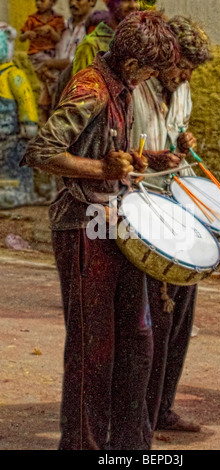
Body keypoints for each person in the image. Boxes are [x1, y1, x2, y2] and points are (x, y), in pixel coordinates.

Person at [22, 10, 180, 450]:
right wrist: (101, 167)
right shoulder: (90, 88)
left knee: (138, 338)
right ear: (132, 64)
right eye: (150, 69)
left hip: (116, 221)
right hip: (82, 225)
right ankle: (83, 444)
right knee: (94, 345)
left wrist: (132, 158)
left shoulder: (123, 88)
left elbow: (105, 147)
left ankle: (130, 447)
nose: (152, 77)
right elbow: (42, 151)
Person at [130, 15, 213, 433]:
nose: (184, 76)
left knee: (181, 312)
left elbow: (177, 128)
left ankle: (162, 406)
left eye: (191, 71)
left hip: (177, 204)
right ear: (164, 56)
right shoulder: (134, 87)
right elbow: (121, 148)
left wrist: (184, 140)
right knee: (153, 317)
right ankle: (138, 414)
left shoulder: (182, 90)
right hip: (141, 208)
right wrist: (152, 157)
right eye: (181, 66)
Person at [0, 26, 38, 209]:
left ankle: (20, 190)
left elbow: (25, 98)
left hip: (13, 133)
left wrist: (28, 121)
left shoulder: (13, 74)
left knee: (14, 159)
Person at [37, 0, 97, 111]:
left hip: (81, 99)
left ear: (92, 2)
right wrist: (46, 68)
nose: (73, 3)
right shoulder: (61, 27)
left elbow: (83, 62)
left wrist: (50, 63)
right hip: (56, 95)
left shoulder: (96, 29)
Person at [20, 0, 65, 124]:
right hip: (37, 55)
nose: (38, 3)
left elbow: (58, 39)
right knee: (53, 83)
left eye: (42, 0)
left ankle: (46, 112)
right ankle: (54, 107)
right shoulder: (32, 19)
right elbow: (21, 37)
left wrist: (50, 30)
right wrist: (27, 34)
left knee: (47, 83)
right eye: (36, 1)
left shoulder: (57, 19)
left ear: (52, 3)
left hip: (52, 54)